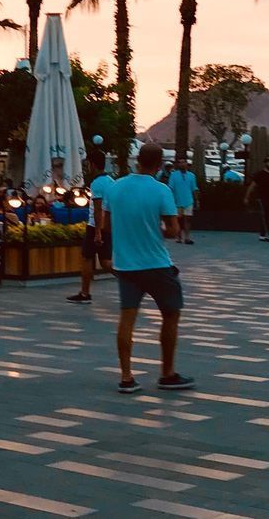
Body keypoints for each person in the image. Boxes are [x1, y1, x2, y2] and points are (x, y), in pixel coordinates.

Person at [101, 142, 193, 394]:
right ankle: (167, 373)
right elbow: (174, 230)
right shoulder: (162, 191)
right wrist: (155, 229)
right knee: (171, 314)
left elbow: (106, 226)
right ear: (160, 164)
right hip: (156, 264)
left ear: (137, 160)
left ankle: (127, 377)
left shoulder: (114, 188)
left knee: (127, 319)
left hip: (126, 265)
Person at [68, 154, 115, 304]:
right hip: (108, 225)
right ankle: (132, 279)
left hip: (95, 226)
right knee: (106, 262)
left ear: (93, 165)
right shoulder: (111, 182)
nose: (86, 167)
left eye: (88, 164)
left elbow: (97, 208)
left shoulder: (97, 183)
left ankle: (85, 293)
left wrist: (97, 232)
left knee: (86, 258)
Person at [245, 158, 269, 242]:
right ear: (266, 163)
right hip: (262, 198)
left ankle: (263, 235)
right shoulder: (260, 174)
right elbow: (252, 186)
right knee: (265, 216)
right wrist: (247, 197)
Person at [167, 156, 200, 245]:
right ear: (178, 164)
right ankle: (178, 237)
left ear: (186, 163)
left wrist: (197, 200)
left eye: (183, 162)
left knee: (188, 219)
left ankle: (187, 237)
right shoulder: (173, 175)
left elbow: (194, 188)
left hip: (189, 200)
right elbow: (170, 188)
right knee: (178, 220)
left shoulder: (191, 176)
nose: (182, 164)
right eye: (180, 162)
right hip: (177, 201)